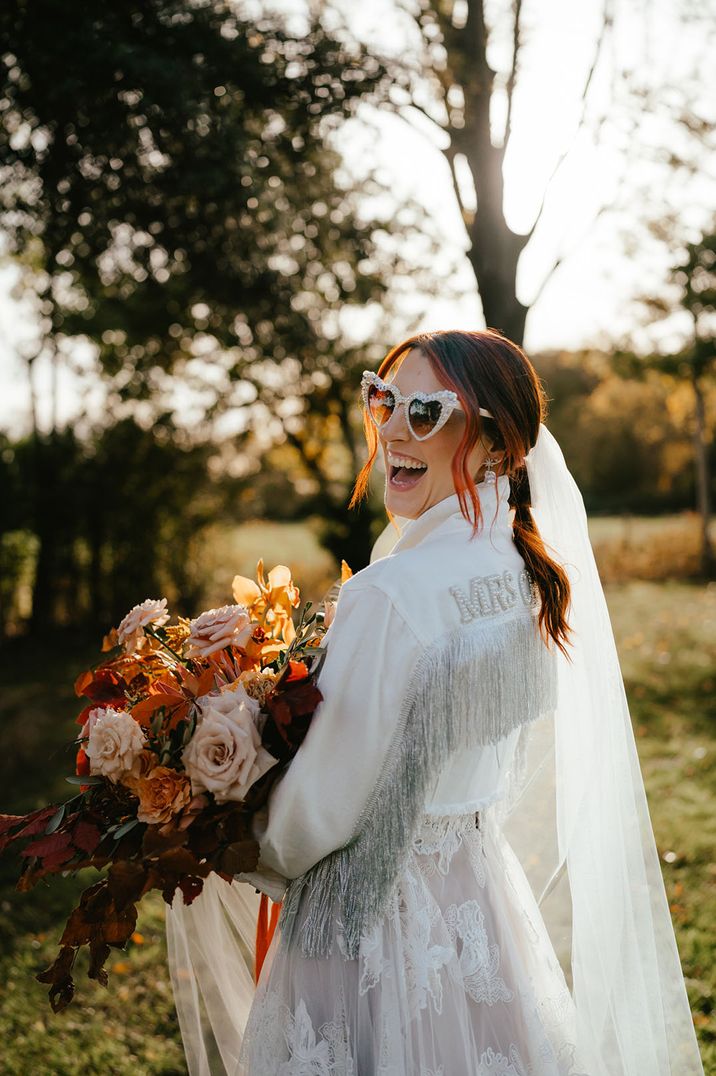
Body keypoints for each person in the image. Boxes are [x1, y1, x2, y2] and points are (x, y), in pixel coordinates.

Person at [166, 329, 704, 1075]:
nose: (390, 429)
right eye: (383, 400)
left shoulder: (392, 593)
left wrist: (210, 817)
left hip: (365, 934)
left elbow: (318, 818)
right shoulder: (522, 570)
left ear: (494, 442)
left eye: (425, 411)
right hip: (479, 913)